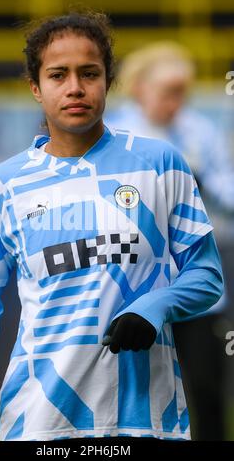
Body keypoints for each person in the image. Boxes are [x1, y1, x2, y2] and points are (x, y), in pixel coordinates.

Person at [0, 12, 223, 442]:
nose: (75, 87)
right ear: (36, 87)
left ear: (107, 81)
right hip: (38, 423)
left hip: (149, 422)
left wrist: (154, 306)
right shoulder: (6, 183)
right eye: (58, 75)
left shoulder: (160, 164)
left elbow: (207, 277)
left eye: (88, 73)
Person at [105, 42, 234, 440]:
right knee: (131, 400)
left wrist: (204, 184)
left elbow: (230, 198)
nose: (177, 101)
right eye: (168, 90)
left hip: (195, 287)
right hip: (133, 287)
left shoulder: (201, 131)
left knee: (207, 393)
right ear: (140, 87)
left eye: (183, 90)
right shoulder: (112, 131)